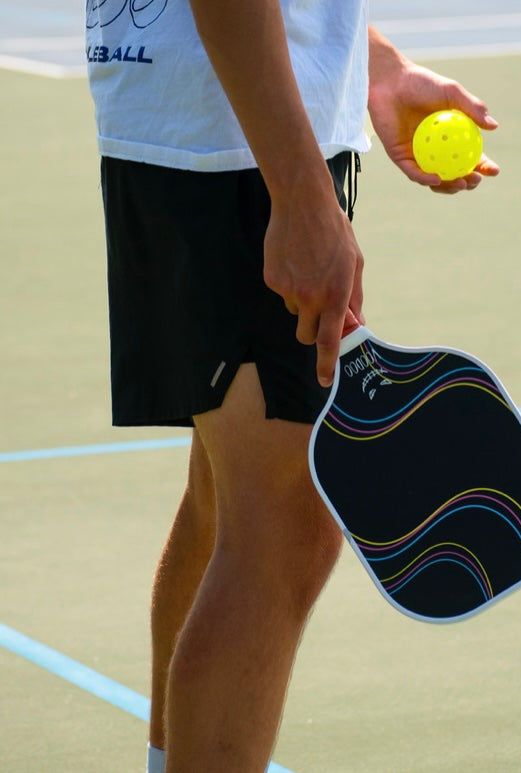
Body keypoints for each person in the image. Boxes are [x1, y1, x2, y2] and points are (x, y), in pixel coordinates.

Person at [86, 2, 500, 771]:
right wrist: (301, 195)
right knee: (287, 516)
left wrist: (372, 66)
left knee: (229, 497)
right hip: (238, 145)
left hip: (212, 124)